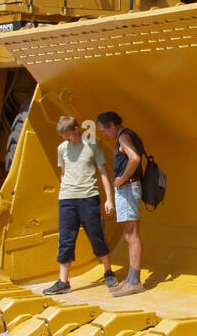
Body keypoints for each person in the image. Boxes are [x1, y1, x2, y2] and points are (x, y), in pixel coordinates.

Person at [44, 116, 116, 295]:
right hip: (67, 199)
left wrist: (109, 199)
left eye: (67, 135)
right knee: (66, 239)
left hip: (89, 197)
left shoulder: (92, 146)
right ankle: (63, 282)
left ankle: (108, 271)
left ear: (77, 129)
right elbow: (63, 172)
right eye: (63, 136)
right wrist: (65, 190)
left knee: (96, 235)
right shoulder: (62, 148)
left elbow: (104, 173)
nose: (65, 139)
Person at [96, 111, 146, 297]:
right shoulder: (125, 136)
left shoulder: (124, 137)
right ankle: (131, 279)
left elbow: (134, 158)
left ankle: (134, 282)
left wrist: (122, 179)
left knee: (131, 235)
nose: (103, 135)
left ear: (112, 125)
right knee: (129, 234)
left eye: (103, 130)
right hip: (128, 188)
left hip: (128, 189)